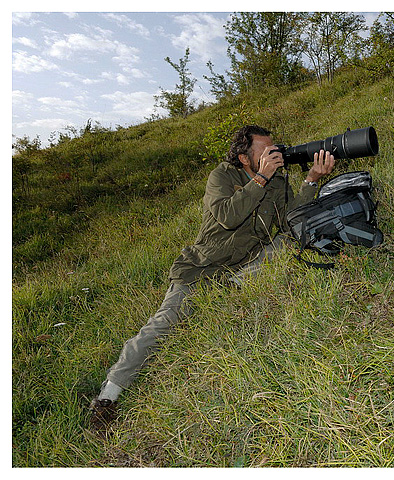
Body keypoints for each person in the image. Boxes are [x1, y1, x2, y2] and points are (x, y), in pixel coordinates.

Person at [89, 125, 335, 429]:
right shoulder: (223, 176)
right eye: (265, 151)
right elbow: (228, 216)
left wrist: (311, 179)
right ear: (245, 158)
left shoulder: (277, 183)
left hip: (246, 265)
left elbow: (293, 220)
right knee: (163, 324)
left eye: (276, 149)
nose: (275, 155)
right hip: (201, 269)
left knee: (289, 239)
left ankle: (238, 288)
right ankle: (108, 397)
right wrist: (261, 178)